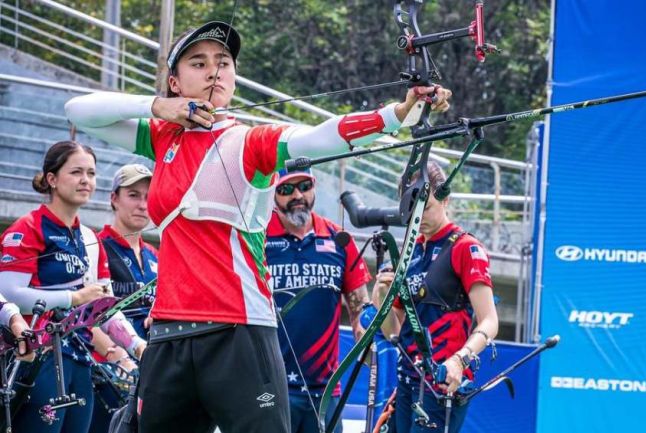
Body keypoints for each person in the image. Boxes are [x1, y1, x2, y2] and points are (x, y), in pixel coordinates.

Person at [64, 20, 451, 433]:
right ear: (174, 82)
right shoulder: (163, 138)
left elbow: (320, 137)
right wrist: (157, 106)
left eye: (224, 62)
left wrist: (396, 114)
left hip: (238, 332)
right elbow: (79, 111)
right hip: (168, 334)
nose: (214, 71)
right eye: (198, 63)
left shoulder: (250, 142)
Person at [0, 141, 146, 433]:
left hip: (80, 361)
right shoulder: (27, 228)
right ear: (52, 179)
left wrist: (138, 347)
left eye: (91, 173)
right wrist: (73, 297)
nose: (85, 180)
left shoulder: (91, 240)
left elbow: (105, 308)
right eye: (76, 172)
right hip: (36, 360)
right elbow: (9, 294)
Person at [372, 161, 498, 433]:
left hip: (442, 385)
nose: (418, 217)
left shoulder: (466, 247)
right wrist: (382, 298)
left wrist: (459, 360)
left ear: (445, 199)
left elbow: (490, 321)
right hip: (406, 382)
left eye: (425, 207)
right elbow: (396, 332)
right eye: (411, 209)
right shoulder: (409, 252)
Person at [266, 167, 371, 433]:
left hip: (325, 392)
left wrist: (367, 338)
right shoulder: (257, 237)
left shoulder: (339, 239)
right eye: (286, 189)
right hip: (269, 387)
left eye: (304, 186)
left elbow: (360, 308)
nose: (297, 195)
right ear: (272, 194)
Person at [89, 163, 157, 433]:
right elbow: (84, 316)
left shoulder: (155, 255)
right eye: (134, 195)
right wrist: (117, 357)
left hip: (148, 372)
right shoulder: (95, 246)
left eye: (148, 197)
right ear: (114, 198)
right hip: (106, 372)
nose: (143, 205)